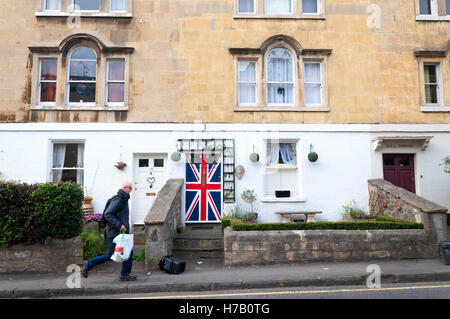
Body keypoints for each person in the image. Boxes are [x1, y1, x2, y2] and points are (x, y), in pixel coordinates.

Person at [81, 180, 137, 281]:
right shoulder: (118, 200)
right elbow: (108, 214)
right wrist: (119, 225)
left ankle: (125, 274)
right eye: (130, 188)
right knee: (110, 255)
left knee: (128, 252)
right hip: (116, 233)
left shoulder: (123, 199)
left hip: (121, 233)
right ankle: (88, 264)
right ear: (124, 188)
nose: (131, 190)